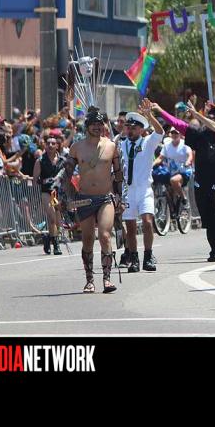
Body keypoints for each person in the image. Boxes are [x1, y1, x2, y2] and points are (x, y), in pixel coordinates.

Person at [154, 99, 215, 262]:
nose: (207, 120)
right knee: (209, 221)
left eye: (211, 118)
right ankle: (214, 250)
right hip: (201, 186)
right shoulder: (200, 135)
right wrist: (160, 110)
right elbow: (178, 124)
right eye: (206, 117)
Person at [68, 106, 125, 294]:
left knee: (105, 235)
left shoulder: (111, 146)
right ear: (87, 126)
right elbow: (66, 175)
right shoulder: (76, 148)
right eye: (93, 124)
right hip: (84, 199)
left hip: (105, 198)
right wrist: (66, 197)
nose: (97, 127)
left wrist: (120, 198)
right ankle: (89, 280)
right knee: (87, 239)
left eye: (100, 124)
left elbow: (118, 175)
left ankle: (107, 279)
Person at [120, 104, 164, 273]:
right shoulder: (120, 145)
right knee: (130, 227)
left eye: (134, 128)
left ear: (141, 129)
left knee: (147, 222)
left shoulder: (147, 142)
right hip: (128, 191)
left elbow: (160, 132)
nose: (130, 131)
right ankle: (133, 258)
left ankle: (148, 256)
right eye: (128, 127)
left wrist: (150, 116)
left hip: (144, 189)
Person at [33, 135, 65, 256]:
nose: (50, 145)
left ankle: (48, 238)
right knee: (52, 218)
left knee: (57, 221)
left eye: (53, 143)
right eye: (48, 143)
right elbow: (35, 180)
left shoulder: (62, 160)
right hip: (47, 192)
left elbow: (68, 176)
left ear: (57, 146)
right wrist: (45, 181)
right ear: (45, 146)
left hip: (57, 193)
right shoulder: (40, 161)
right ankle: (56, 245)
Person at [154, 127, 194, 206]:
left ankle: (184, 198)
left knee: (174, 180)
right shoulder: (167, 146)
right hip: (171, 172)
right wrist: (152, 164)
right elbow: (160, 158)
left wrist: (188, 161)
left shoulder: (185, 144)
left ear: (180, 134)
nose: (174, 135)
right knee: (158, 178)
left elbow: (190, 155)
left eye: (176, 133)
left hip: (184, 171)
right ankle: (171, 208)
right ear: (170, 134)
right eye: (172, 133)